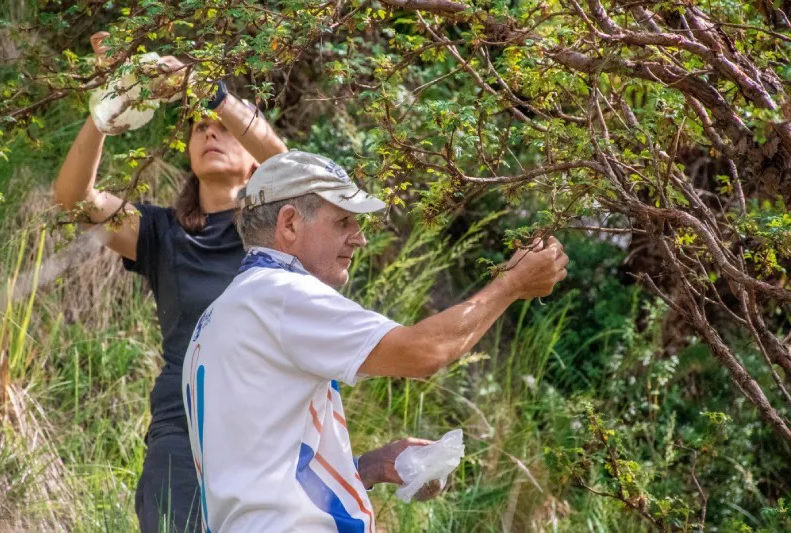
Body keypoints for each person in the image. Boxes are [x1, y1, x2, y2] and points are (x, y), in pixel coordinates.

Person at [182, 151, 569, 532]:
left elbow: (260, 466)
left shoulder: (222, 313)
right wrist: (513, 284)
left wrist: (370, 467)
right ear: (289, 224)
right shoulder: (281, 294)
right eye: (343, 221)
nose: (360, 239)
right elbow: (423, 352)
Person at [53, 36, 288, 533]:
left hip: (269, 434)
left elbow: (286, 162)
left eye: (224, 128)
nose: (210, 132)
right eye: (200, 126)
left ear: (251, 158)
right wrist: (103, 114)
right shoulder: (161, 231)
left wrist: (203, 88)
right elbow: (75, 199)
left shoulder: (281, 225)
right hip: (183, 434)